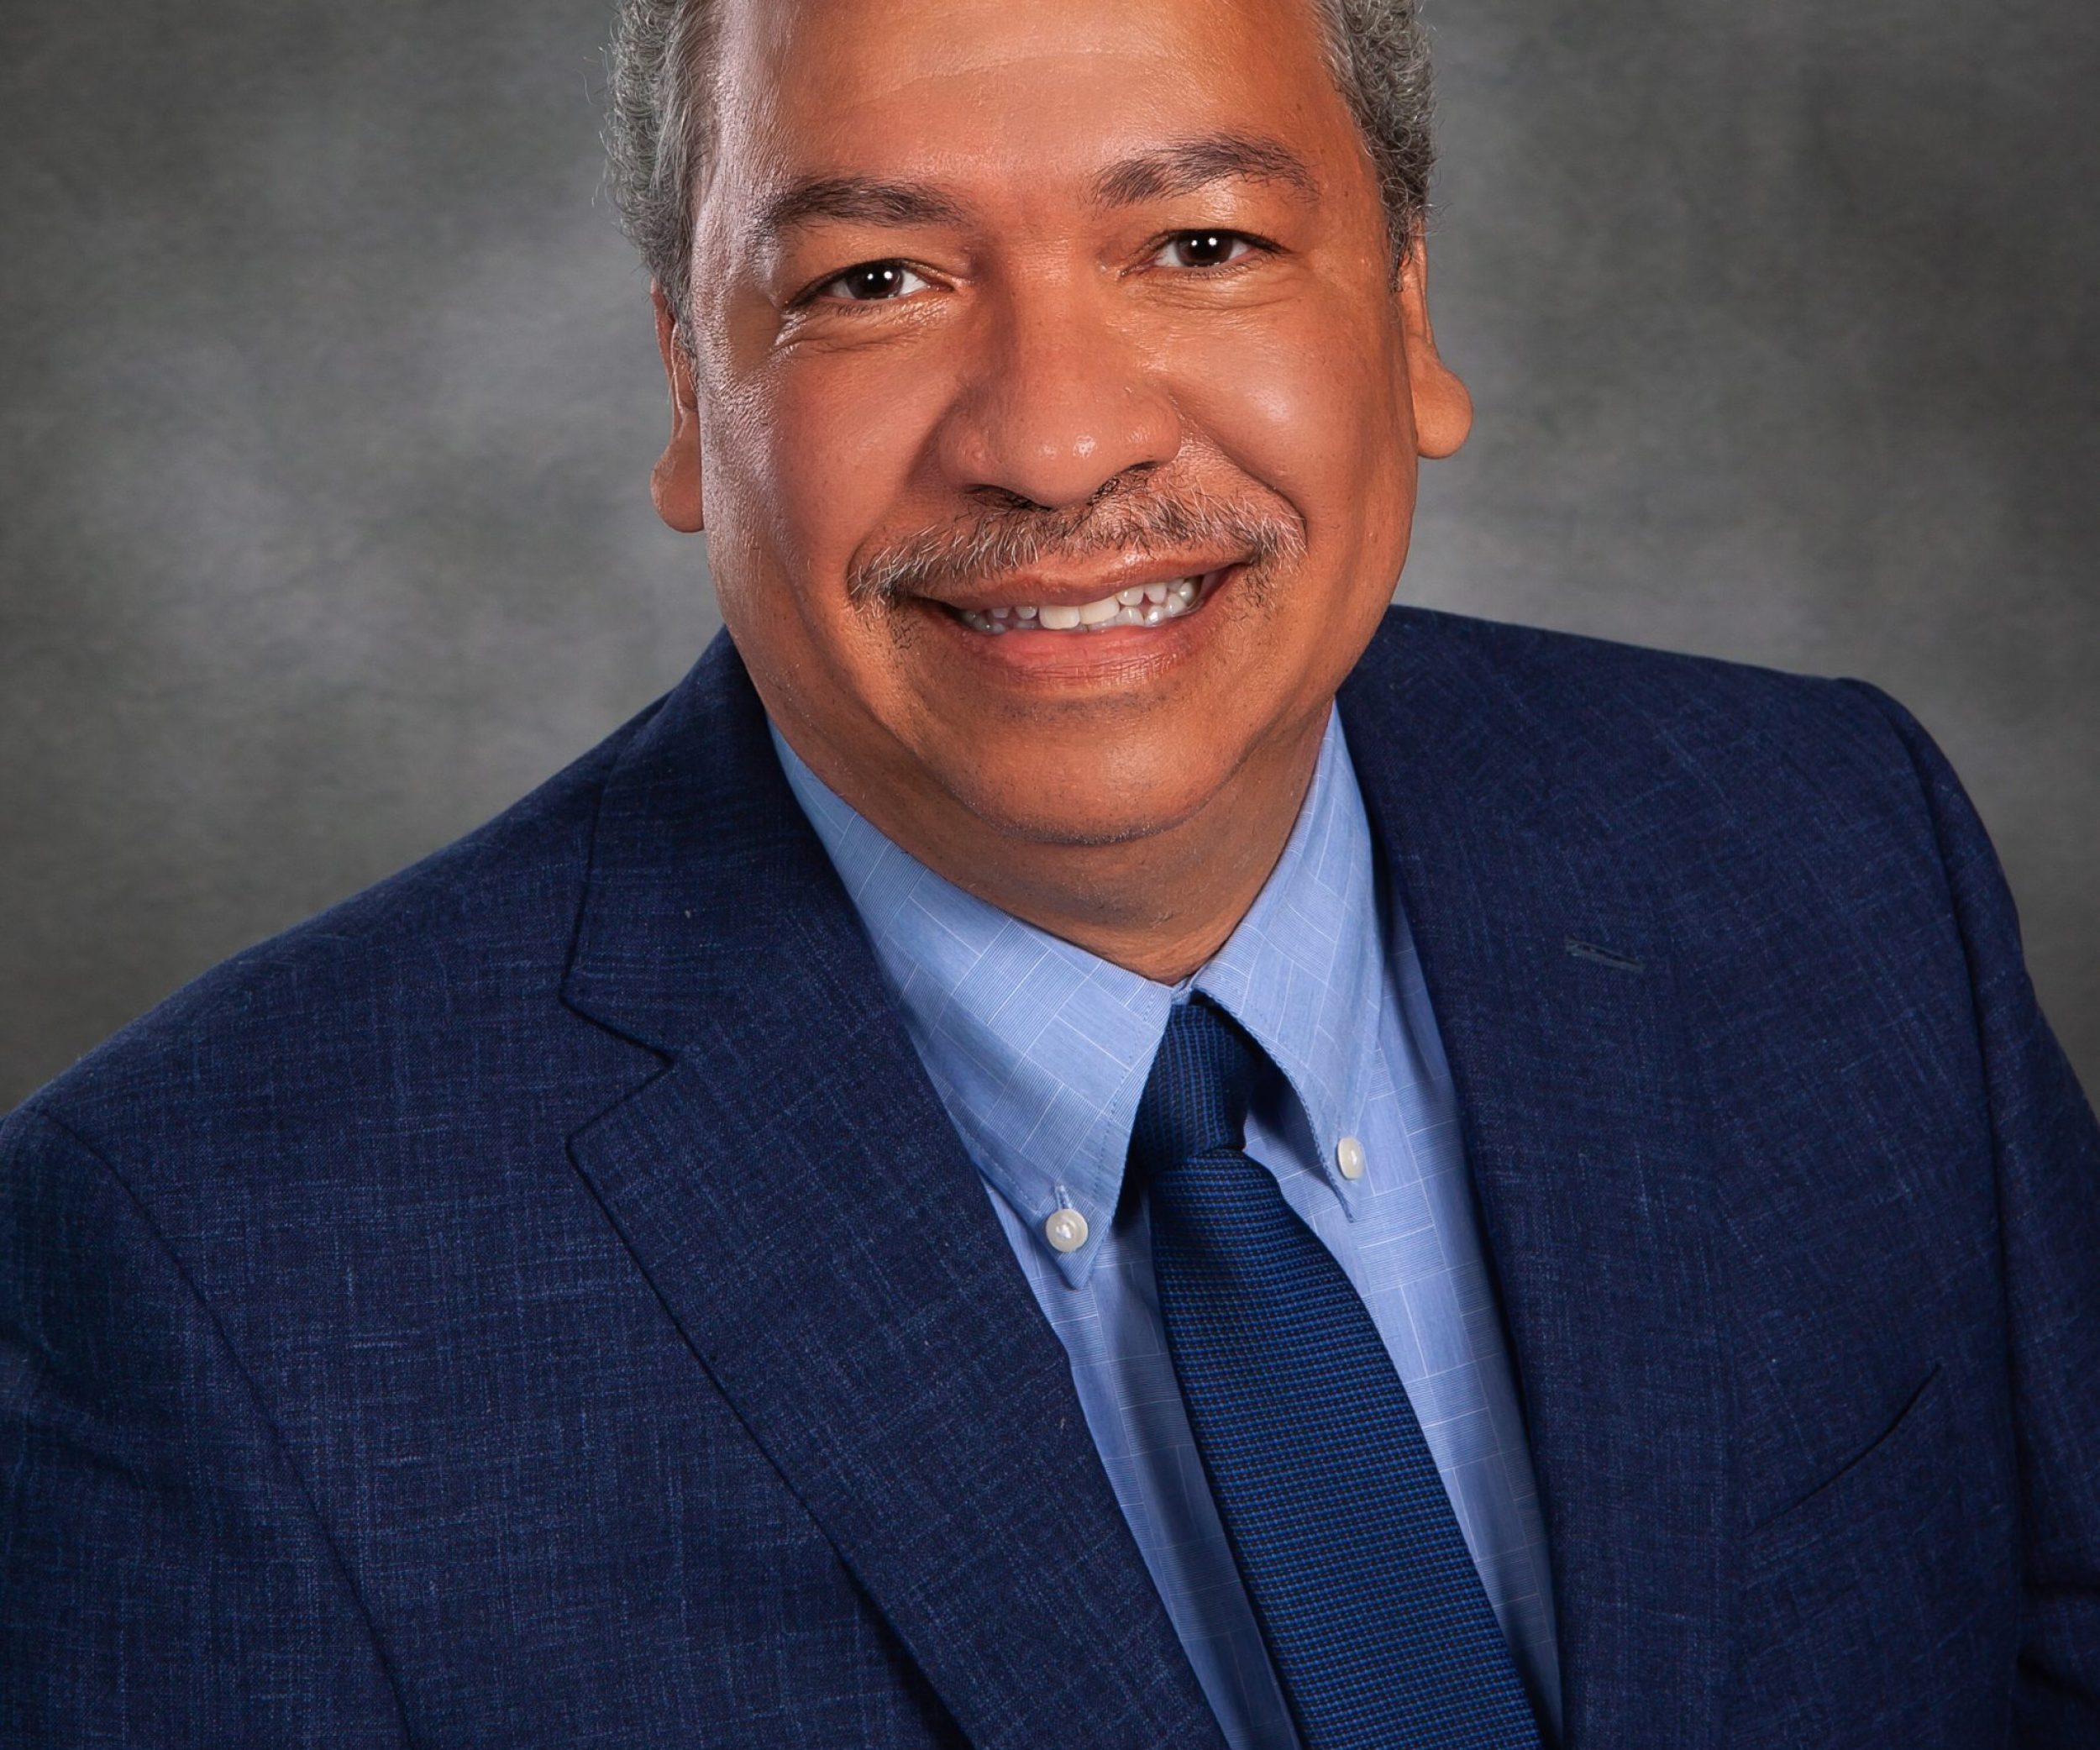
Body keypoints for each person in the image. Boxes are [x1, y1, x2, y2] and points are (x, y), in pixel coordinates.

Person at [3, 0, 2095, 1741]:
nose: (1057, 440)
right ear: (687, 389)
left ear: (1404, 314)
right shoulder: (216, 1276)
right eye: (873, 282)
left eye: (1197, 243)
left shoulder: (1826, 849)